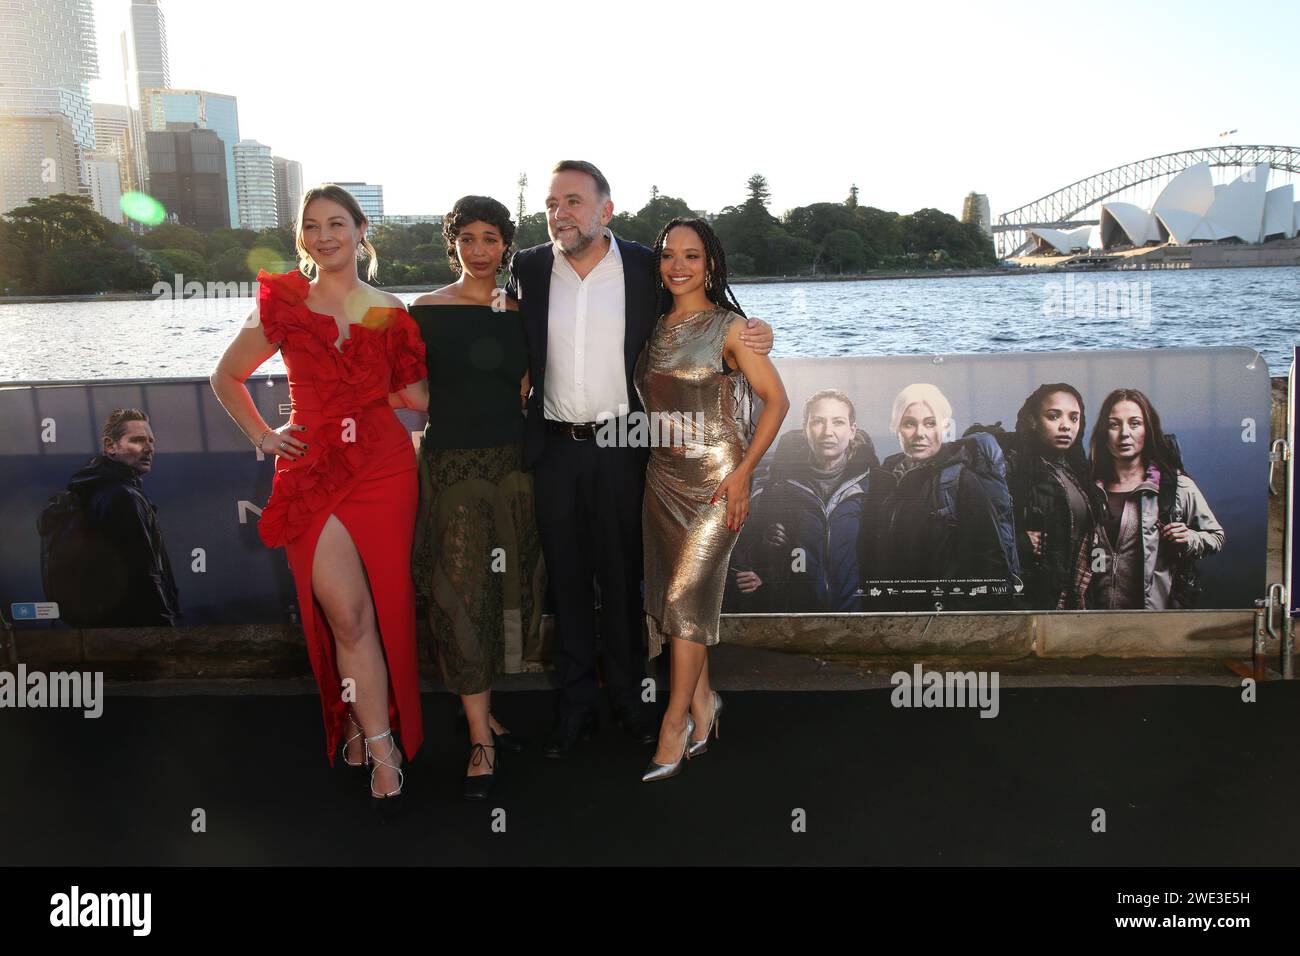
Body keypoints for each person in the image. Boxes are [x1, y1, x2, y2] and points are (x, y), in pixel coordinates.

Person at [505, 161, 773, 759]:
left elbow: (705, 315)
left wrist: (760, 334)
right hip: (553, 447)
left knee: (625, 579)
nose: (560, 213)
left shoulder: (643, 268)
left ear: (606, 209)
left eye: (573, 201)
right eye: (552, 203)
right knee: (568, 581)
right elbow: (511, 336)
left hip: (624, 446)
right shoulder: (527, 266)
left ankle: (630, 701)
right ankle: (575, 706)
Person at [209, 184, 428, 818]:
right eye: (312, 226)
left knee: (382, 611)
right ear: (302, 237)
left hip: (385, 469)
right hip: (311, 470)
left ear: (363, 231)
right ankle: (379, 742)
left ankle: (369, 728)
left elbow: (417, 396)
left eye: (337, 223)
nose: (324, 235)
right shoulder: (284, 303)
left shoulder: (389, 309)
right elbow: (226, 377)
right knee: (349, 618)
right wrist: (264, 436)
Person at [635, 216, 788, 781]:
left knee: (684, 597)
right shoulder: (651, 328)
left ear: (711, 264)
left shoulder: (730, 329)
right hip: (661, 479)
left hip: (718, 481)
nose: (678, 266)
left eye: (692, 256)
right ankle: (705, 703)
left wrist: (745, 472)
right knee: (675, 605)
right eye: (669, 256)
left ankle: (672, 722)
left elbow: (776, 401)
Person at [409, 195, 545, 801]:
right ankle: (479, 742)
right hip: (452, 470)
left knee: (505, 592)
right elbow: (408, 390)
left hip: (514, 469)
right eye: (468, 239)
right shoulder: (425, 310)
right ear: (453, 245)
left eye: (491, 238)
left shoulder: (521, 310)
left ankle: (482, 711)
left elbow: (529, 383)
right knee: (459, 595)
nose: (480, 250)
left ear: (506, 244)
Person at [729, 389, 891, 612]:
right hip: (799, 619)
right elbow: (757, 552)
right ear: (805, 429)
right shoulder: (778, 489)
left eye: (838, 422)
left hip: (861, 615)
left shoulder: (878, 487)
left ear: (852, 431)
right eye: (818, 422)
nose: (828, 432)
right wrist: (762, 574)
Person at [877, 383, 1019, 608]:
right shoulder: (885, 480)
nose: (920, 433)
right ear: (897, 428)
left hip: (948, 619)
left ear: (943, 428)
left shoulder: (961, 481)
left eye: (930, 423)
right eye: (909, 424)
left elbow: (992, 562)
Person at [39, 408, 180, 627]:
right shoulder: (122, 497)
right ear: (110, 446)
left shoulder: (97, 489)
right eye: (138, 440)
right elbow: (143, 574)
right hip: (133, 627)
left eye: (151, 441)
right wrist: (166, 628)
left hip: (104, 624)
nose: (149, 448)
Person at [1087, 388, 1224, 609]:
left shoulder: (1175, 487)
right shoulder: (1088, 489)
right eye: (1114, 424)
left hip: (1154, 617)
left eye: (1134, 423)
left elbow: (1216, 537)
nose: (1124, 433)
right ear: (1104, 432)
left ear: (1147, 430)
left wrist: (1188, 538)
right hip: (1093, 618)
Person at [979, 384, 1104, 610]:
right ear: (1033, 421)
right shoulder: (1013, 469)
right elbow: (978, 537)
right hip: (1031, 599)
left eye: (1074, 418)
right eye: (1054, 416)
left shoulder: (1078, 472)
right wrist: (1021, 543)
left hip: (1076, 597)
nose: (1066, 426)